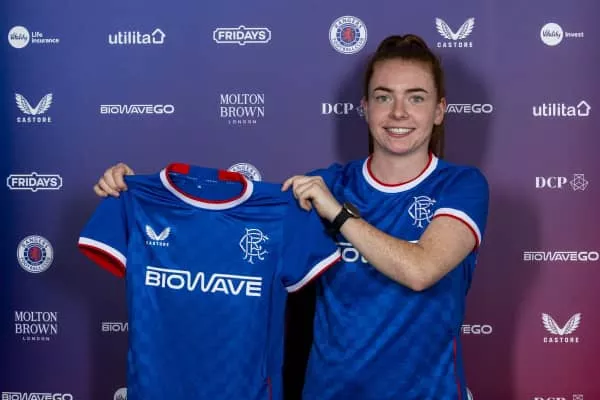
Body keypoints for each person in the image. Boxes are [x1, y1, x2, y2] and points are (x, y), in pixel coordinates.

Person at [93, 34, 489, 400]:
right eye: (384, 97)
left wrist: (336, 214)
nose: (398, 112)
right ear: (365, 108)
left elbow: (422, 270)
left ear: (439, 111)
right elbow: (222, 234)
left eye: (416, 98)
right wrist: (137, 192)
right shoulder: (324, 184)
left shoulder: (461, 186)